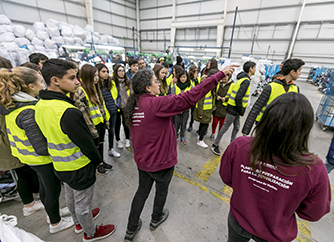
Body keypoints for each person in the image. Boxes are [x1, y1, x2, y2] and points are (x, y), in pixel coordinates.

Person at [123, 65, 237, 242]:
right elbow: (189, 97)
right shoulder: (155, 103)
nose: (159, 84)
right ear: (147, 87)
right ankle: (156, 218)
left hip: (142, 162)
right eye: (155, 82)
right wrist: (218, 76)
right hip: (161, 162)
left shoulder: (133, 105)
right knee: (161, 191)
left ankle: (131, 228)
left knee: (141, 192)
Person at [220, 92, 331, 242]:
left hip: (240, 221)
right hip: (275, 233)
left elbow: (227, 177)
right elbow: (313, 213)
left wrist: (248, 188)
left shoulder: (241, 146)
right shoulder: (313, 169)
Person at [35, 59, 116, 241]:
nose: (78, 82)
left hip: (59, 163)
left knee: (71, 196)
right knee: (83, 203)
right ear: (55, 80)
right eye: (72, 78)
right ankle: (90, 232)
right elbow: (86, 143)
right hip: (78, 165)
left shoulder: (40, 104)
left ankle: (78, 222)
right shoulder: (67, 111)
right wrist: (98, 161)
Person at [0, 66, 73, 233]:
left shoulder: (13, 105)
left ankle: (52, 213)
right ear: (30, 86)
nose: (44, 84)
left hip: (28, 158)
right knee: (52, 189)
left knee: (45, 188)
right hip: (41, 159)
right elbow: (40, 146)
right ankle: (55, 223)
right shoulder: (28, 111)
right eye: (40, 81)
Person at [0, 58, 42, 218]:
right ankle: (29, 204)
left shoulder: (9, 100)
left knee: (26, 174)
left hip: (15, 146)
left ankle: (34, 200)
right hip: (12, 146)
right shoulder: (12, 103)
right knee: (25, 174)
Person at [241, 59, 304, 136]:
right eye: (299, 70)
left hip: (282, 128)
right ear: (292, 72)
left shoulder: (295, 89)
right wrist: (246, 130)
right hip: (265, 125)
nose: (300, 73)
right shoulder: (271, 87)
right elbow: (256, 108)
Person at [211, 61, 256, 156]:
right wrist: (241, 110)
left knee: (237, 127)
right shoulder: (246, 81)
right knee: (225, 127)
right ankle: (215, 145)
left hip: (234, 108)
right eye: (254, 68)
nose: (255, 70)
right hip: (235, 109)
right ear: (250, 69)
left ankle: (232, 145)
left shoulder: (241, 79)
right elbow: (238, 97)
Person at [74, 64, 112, 174]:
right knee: (94, 146)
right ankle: (97, 164)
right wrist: (92, 129)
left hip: (99, 123)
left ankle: (101, 161)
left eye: (97, 75)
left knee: (100, 144)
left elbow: (101, 106)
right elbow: (84, 113)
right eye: (94, 75)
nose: (97, 78)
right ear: (87, 76)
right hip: (91, 126)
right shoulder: (80, 92)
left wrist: (106, 120)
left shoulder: (95, 88)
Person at [96, 63, 121, 158]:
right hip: (101, 114)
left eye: (107, 71)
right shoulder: (95, 85)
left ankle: (111, 149)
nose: (106, 74)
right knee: (101, 136)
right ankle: (99, 157)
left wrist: (116, 106)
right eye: (103, 72)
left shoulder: (111, 82)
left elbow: (118, 96)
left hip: (113, 111)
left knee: (111, 131)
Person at [193, 70, 217, 148]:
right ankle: (200, 140)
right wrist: (200, 113)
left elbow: (212, 99)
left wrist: (213, 107)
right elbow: (200, 101)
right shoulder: (206, 87)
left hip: (207, 110)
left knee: (203, 124)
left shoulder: (211, 87)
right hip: (204, 110)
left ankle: (199, 136)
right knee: (205, 125)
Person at [170, 70, 193, 144]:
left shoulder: (190, 86)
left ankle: (182, 136)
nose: (183, 79)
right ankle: (175, 136)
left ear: (187, 77)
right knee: (176, 124)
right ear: (179, 78)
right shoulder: (175, 86)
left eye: (184, 77)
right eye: (181, 77)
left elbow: (191, 99)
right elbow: (173, 98)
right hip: (176, 110)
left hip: (186, 110)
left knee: (184, 124)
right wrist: (179, 108)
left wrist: (184, 108)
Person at [210, 74, 235, 140]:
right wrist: (216, 96)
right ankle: (213, 133)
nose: (223, 78)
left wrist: (226, 99)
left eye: (225, 77)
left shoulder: (232, 85)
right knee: (215, 122)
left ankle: (219, 135)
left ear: (229, 77)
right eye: (223, 77)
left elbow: (233, 95)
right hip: (217, 105)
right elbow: (213, 91)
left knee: (222, 123)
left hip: (225, 107)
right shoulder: (218, 83)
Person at [113, 63, 132, 149]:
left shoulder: (127, 82)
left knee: (126, 123)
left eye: (123, 70)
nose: (122, 72)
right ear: (116, 72)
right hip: (116, 107)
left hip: (126, 106)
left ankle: (127, 139)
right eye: (119, 71)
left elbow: (131, 94)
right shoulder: (112, 82)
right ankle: (118, 140)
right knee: (117, 124)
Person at [187, 65, 201, 132]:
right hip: (188, 98)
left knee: (193, 113)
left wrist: (196, 79)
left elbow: (198, 87)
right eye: (194, 71)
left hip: (195, 99)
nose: (196, 72)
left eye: (197, 71)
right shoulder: (188, 78)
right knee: (186, 112)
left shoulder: (198, 79)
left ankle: (190, 125)